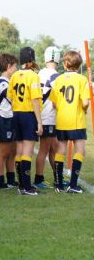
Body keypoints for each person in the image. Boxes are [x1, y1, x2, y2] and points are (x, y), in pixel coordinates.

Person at [50, 50, 89, 194]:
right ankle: (72, 184)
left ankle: (58, 184)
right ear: (79, 65)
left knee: (61, 150)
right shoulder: (82, 79)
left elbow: (54, 104)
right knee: (80, 150)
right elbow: (85, 103)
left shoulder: (58, 80)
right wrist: (84, 109)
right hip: (76, 120)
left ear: (65, 64)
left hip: (61, 120)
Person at [7, 47, 43, 195]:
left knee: (20, 150)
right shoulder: (33, 76)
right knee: (28, 151)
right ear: (31, 60)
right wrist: (39, 122)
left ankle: (22, 184)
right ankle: (27, 187)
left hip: (16, 114)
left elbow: (9, 97)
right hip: (28, 115)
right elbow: (35, 100)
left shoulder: (15, 75)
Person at [35, 46, 61, 189]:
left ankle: (58, 176)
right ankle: (39, 179)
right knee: (45, 149)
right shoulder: (55, 75)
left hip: (42, 114)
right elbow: (58, 98)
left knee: (54, 147)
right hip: (48, 116)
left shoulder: (40, 73)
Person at [0, 54, 18, 189]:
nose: (16, 69)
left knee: (12, 152)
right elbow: (13, 100)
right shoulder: (3, 82)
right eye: (14, 66)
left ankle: (11, 179)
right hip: (5, 120)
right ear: (8, 67)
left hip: (12, 119)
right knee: (3, 153)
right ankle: (1, 181)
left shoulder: (8, 82)